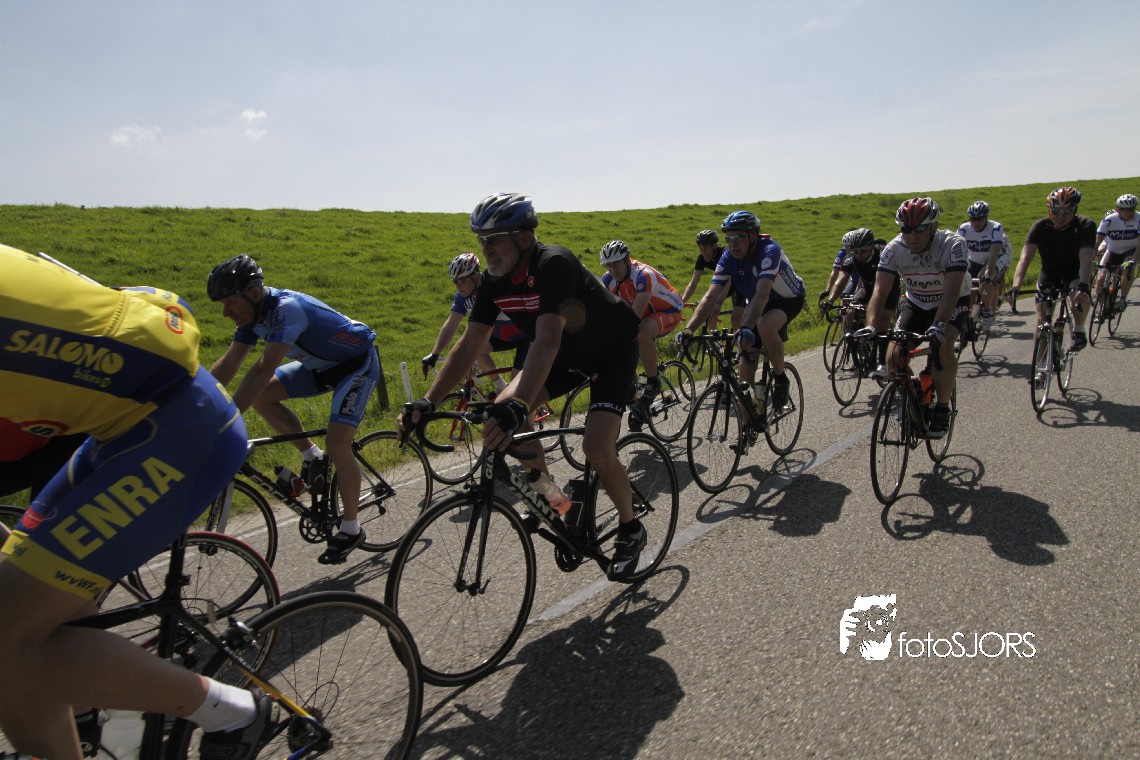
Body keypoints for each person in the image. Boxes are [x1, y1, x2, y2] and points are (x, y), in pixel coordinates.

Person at [0, 244, 275, 759]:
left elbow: (260, 367)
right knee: (21, 621)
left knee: (6, 635)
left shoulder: (283, 310)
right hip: (120, 425)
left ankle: (233, 712)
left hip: (179, 430)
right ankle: (90, 702)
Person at [398, 193, 647, 581]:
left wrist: (520, 404)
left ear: (524, 238)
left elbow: (546, 339)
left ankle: (631, 529)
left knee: (596, 447)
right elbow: (470, 343)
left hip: (610, 352)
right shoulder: (492, 282)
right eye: (481, 240)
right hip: (565, 356)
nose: (486, 249)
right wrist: (428, 402)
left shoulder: (554, 263)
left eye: (494, 240)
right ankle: (557, 505)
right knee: (502, 414)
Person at [207, 254, 379, 565]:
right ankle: (310, 455)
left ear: (253, 294)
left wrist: (225, 422)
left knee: (338, 443)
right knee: (262, 397)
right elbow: (230, 363)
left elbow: (262, 370)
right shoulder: (253, 317)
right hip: (318, 367)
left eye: (230, 303)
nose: (225, 312)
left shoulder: (287, 309)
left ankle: (351, 528)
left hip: (355, 365)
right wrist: (198, 399)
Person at [676, 210, 806, 412]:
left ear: (753, 236)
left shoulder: (769, 251)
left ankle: (781, 379)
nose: (733, 244)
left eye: (738, 238)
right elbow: (710, 297)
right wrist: (688, 330)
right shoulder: (728, 257)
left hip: (787, 299)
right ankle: (748, 424)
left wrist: (745, 326)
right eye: (728, 239)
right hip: (757, 302)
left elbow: (762, 295)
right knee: (744, 376)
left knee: (765, 325)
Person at [865, 197, 970, 438]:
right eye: (906, 229)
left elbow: (951, 293)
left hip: (952, 301)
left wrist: (938, 326)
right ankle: (914, 390)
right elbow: (879, 292)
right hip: (916, 301)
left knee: (943, 345)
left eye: (919, 229)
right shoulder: (894, 249)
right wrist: (870, 326)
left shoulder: (953, 245)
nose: (912, 236)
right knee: (893, 357)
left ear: (934, 227)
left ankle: (942, 407)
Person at [598, 240, 684, 427]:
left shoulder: (643, 275)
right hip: (647, 315)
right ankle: (639, 392)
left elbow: (634, 317)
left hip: (669, 310)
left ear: (627, 260)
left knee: (641, 331)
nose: (613, 270)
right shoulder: (608, 280)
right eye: (608, 265)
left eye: (617, 264)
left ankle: (652, 382)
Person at [421, 252, 532, 394]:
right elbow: (451, 324)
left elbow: (485, 327)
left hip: (525, 336)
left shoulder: (491, 289)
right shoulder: (462, 297)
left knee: (516, 393)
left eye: (462, 281)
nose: (458, 286)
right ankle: (501, 387)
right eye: (455, 282)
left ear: (475, 276)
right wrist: (434, 354)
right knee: (475, 349)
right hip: (501, 336)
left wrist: (471, 360)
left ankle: (520, 402)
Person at [1009, 186, 1097, 352]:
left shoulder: (1085, 225)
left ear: (1075, 210)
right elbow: (1025, 259)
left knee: (1078, 293)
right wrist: (1016, 286)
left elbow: (1086, 257)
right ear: (1049, 211)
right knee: (1042, 320)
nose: (1060, 217)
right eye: (1056, 212)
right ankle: (1040, 364)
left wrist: (1084, 284)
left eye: (1066, 212)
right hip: (1049, 273)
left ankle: (1079, 330)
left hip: (1075, 272)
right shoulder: (1040, 227)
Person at [821, 228, 899, 380]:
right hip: (867, 286)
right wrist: (830, 300)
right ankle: (860, 346)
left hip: (888, 289)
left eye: (863, 251)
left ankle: (882, 363)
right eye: (856, 251)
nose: (859, 255)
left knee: (882, 321)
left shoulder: (884, 254)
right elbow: (840, 281)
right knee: (850, 310)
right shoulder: (851, 259)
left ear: (871, 246)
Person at [679, 229, 743, 331]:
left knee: (736, 319)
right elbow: (693, 283)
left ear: (714, 246)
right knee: (709, 310)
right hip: (723, 283)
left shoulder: (725, 254)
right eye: (701, 249)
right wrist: (681, 302)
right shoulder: (702, 258)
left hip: (738, 282)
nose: (704, 253)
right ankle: (715, 337)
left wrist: (719, 303)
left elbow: (729, 281)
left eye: (706, 249)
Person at [956, 200, 1006, 323]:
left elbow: (994, 253)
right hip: (974, 260)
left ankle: (988, 310)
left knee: (986, 280)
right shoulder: (964, 229)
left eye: (980, 219)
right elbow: (955, 249)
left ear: (986, 218)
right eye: (973, 219)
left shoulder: (995, 227)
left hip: (995, 258)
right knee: (968, 285)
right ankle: (968, 314)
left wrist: (987, 272)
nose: (976, 222)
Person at [1093, 193, 1139, 313]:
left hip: (1132, 250)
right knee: (1100, 278)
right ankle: (1101, 307)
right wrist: (1092, 259)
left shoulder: (1138, 219)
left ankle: (1122, 299)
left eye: (1132, 209)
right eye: (1126, 210)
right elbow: (1097, 242)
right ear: (1118, 210)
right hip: (1113, 250)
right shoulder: (1109, 220)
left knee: (1128, 269)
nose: (1130, 212)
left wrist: (1133, 260)